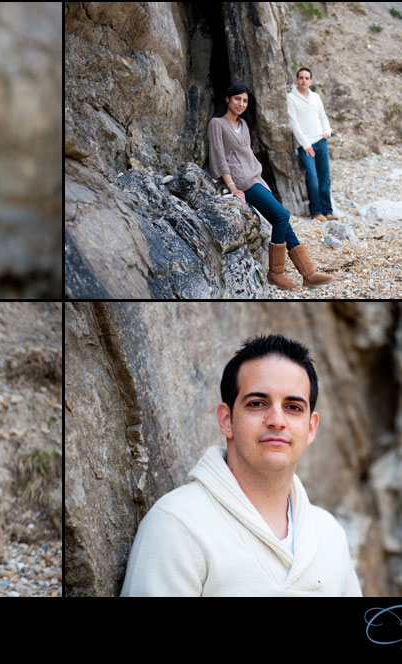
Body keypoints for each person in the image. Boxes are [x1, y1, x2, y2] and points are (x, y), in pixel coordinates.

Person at [121, 335, 362, 597]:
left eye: (293, 407)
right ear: (226, 420)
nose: (277, 421)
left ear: (311, 428)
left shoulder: (329, 535)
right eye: (257, 404)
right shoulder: (177, 525)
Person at [207, 82, 333, 290]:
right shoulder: (216, 124)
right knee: (282, 216)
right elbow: (219, 158)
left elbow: (247, 155)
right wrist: (232, 187)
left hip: (256, 177)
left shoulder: (244, 125)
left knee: (282, 220)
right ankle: (275, 273)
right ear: (228, 99)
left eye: (245, 100)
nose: (241, 103)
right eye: (237, 98)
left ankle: (308, 273)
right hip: (241, 181)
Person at [287, 67, 336, 222]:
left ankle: (327, 211)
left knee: (325, 178)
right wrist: (306, 144)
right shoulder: (291, 98)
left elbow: (323, 116)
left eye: (307, 78)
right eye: (301, 78)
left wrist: (327, 132)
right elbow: (293, 123)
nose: (304, 81)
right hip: (305, 145)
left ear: (311, 81)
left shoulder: (315, 97)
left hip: (320, 141)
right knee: (312, 178)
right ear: (296, 80)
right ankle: (315, 211)